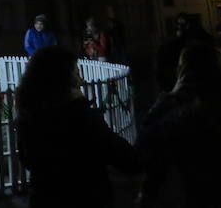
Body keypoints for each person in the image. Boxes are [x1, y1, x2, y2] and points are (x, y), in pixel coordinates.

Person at [137, 41, 221, 208]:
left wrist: (166, 99)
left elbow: (146, 143)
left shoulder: (185, 113)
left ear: (184, 72)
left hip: (204, 196)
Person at [15, 46, 140, 208]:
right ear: (63, 80)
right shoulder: (82, 118)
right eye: (76, 74)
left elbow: (27, 161)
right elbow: (126, 158)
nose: (81, 81)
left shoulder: (28, 118)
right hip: (85, 198)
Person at [154, 13, 212, 92]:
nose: (179, 27)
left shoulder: (200, 44)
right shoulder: (170, 46)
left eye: (183, 24)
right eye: (178, 24)